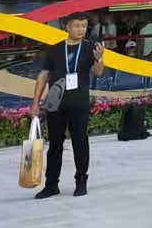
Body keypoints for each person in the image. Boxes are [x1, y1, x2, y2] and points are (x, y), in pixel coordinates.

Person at [29, 14, 104, 200]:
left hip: (79, 104)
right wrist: (35, 103)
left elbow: (98, 73)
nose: (80, 29)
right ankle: (51, 185)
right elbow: (43, 77)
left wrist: (99, 59)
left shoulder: (89, 48)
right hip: (56, 104)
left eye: (84, 26)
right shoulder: (55, 50)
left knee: (80, 142)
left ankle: (81, 180)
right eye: (77, 26)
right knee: (55, 145)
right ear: (67, 27)